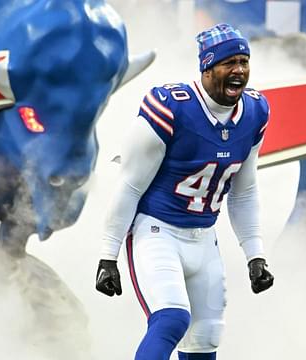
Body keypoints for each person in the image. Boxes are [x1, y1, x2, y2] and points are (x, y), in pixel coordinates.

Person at [95, 23, 275, 360]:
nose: (239, 70)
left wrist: (255, 254)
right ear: (207, 68)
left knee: (205, 340)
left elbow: (244, 189)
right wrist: (109, 255)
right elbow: (130, 184)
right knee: (171, 320)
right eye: (228, 63)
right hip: (156, 231)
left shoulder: (254, 111)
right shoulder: (171, 106)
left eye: (244, 61)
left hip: (204, 238)